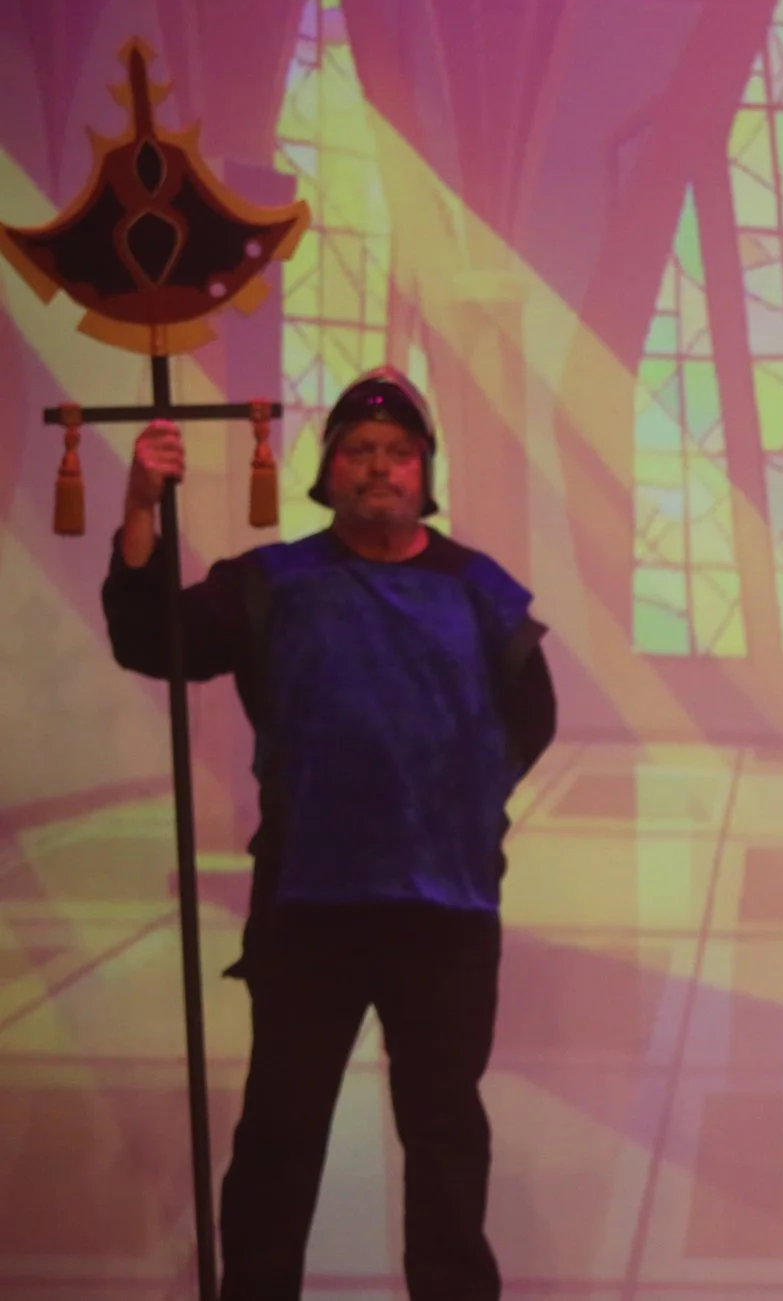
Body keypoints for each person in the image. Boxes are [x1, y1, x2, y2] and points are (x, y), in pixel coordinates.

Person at [102, 368, 556, 1301]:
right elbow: (156, 639)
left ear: (424, 471)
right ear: (330, 470)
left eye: (397, 454)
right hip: (308, 911)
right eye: (359, 452)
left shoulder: (481, 590)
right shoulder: (274, 582)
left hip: (446, 913)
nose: (378, 468)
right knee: (279, 1134)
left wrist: (462, 807)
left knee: (444, 1136)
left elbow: (530, 718)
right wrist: (143, 506)